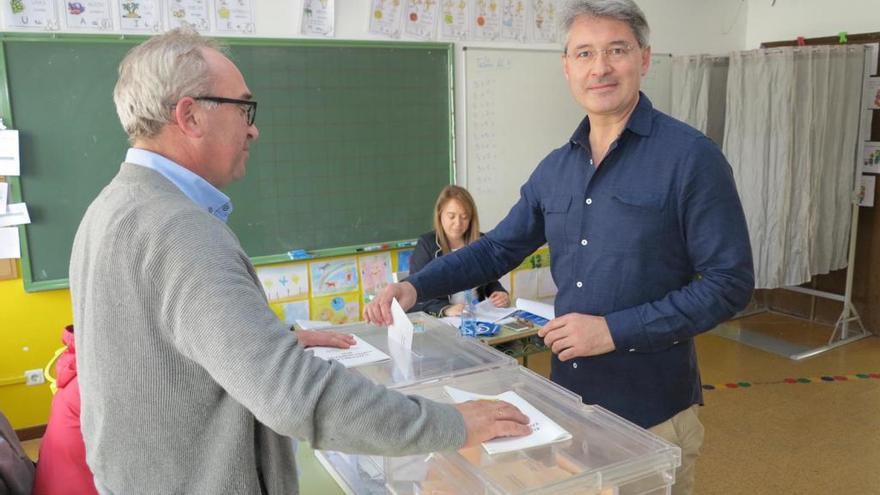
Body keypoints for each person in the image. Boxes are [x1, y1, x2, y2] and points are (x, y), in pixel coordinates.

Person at [69, 28, 530, 494]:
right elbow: (297, 396)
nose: (253, 128)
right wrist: (454, 424)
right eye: (243, 108)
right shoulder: (179, 230)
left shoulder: (110, 208)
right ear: (189, 116)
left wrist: (268, 339)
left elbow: (157, 347)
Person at [365, 1, 754, 493]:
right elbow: (496, 249)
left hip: (652, 412)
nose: (601, 67)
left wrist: (614, 331)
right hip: (570, 407)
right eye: (585, 53)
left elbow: (730, 284)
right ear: (567, 67)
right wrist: (414, 288)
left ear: (644, 58)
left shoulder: (690, 157)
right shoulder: (556, 169)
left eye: (617, 50)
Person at [409, 185, 510, 317]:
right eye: (451, 216)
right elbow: (416, 293)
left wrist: (499, 293)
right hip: (444, 321)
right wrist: (446, 309)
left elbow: (490, 279)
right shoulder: (427, 245)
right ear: (440, 214)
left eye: (464, 217)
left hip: (477, 317)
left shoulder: (481, 241)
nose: (458, 223)